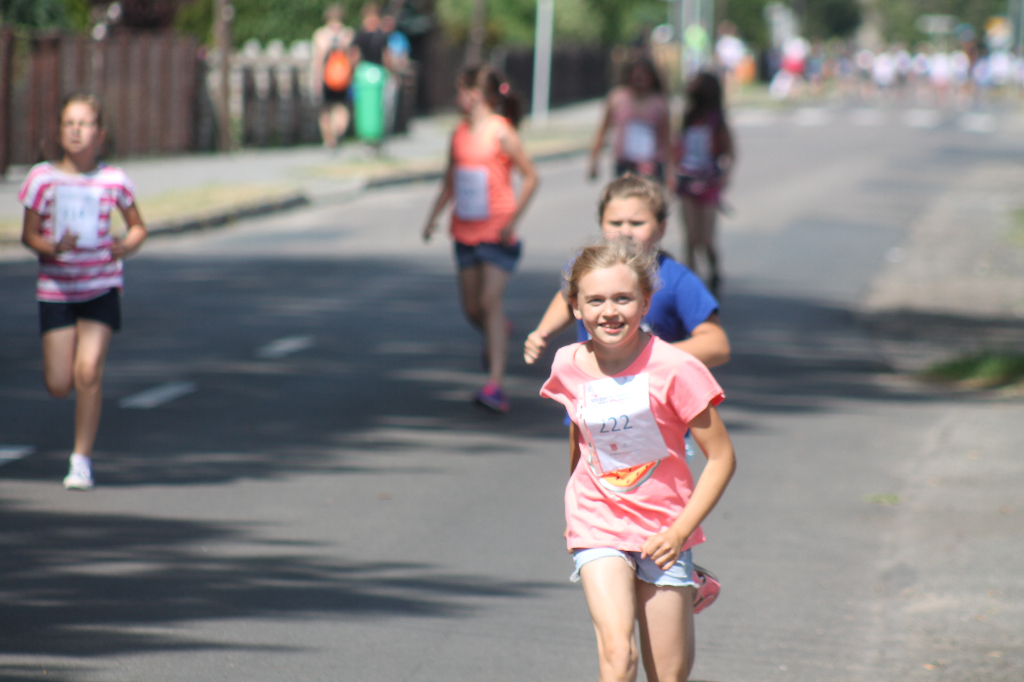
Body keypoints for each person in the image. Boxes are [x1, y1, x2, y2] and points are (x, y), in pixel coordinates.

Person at [539, 239, 736, 682]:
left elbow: (722, 458)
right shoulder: (568, 364)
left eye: (623, 299)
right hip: (597, 521)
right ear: (575, 306)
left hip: (663, 531)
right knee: (618, 653)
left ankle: (689, 582)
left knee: (667, 674)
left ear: (646, 302)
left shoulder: (676, 367)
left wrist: (680, 532)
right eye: (595, 300)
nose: (609, 311)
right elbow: (579, 431)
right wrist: (573, 503)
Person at [19, 93, 147, 490]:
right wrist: (52, 247)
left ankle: (81, 460)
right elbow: (28, 235)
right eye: (69, 124)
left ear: (100, 134)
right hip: (57, 289)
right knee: (59, 383)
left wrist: (126, 245)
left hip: (99, 285)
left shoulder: (114, 180)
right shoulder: (42, 179)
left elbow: (138, 226)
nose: (76, 131)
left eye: (85, 124)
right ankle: (79, 438)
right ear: (59, 132)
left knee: (88, 371)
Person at [422, 65, 539, 413]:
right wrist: (432, 218)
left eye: (460, 90)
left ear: (475, 94)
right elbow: (449, 181)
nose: (456, 96)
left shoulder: (501, 132)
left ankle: (495, 385)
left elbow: (531, 177)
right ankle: (498, 328)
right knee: (473, 308)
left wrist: (513, 220)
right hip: (464, 231)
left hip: (497, 230)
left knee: (489, 301)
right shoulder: (458, 133)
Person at [524, 173, 729, 371]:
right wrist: (543, 332)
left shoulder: (677, 279)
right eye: (615, 223)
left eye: (637, 223)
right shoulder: (589, 267)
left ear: (661, 227)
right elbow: (567, 298)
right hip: (593, 389)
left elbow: (717, 345)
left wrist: (650, 357)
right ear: (601, 223)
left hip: (654, 390)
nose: (625, 232)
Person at [676, 72, 734, 295]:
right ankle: (689, 286)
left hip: (708, 182)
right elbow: (677, 146)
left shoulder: (716, 120)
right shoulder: (688, 117)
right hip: (686, 180)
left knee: (706, 239)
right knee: (691, 239)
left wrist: (724, 175)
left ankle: (714, 271)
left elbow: (730, 151)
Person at [589, 57, 673, 185]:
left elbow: (666, 139)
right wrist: (594, 161)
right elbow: (602, 131)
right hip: (625, 165)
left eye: (644, 74)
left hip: (652, 166)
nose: (640, 78)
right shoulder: (617, 98)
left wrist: (670, 172)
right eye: (637, 75)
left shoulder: (659, 103)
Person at [311, 3, 356, 150]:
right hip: (344, 77)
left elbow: (318, 60)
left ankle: (329, 140)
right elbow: (353, 57)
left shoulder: (320, 34)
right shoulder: (348, 33)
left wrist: (316, 79)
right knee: (341, 107)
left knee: (325, 109)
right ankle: (338, 132)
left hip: (326, 77)